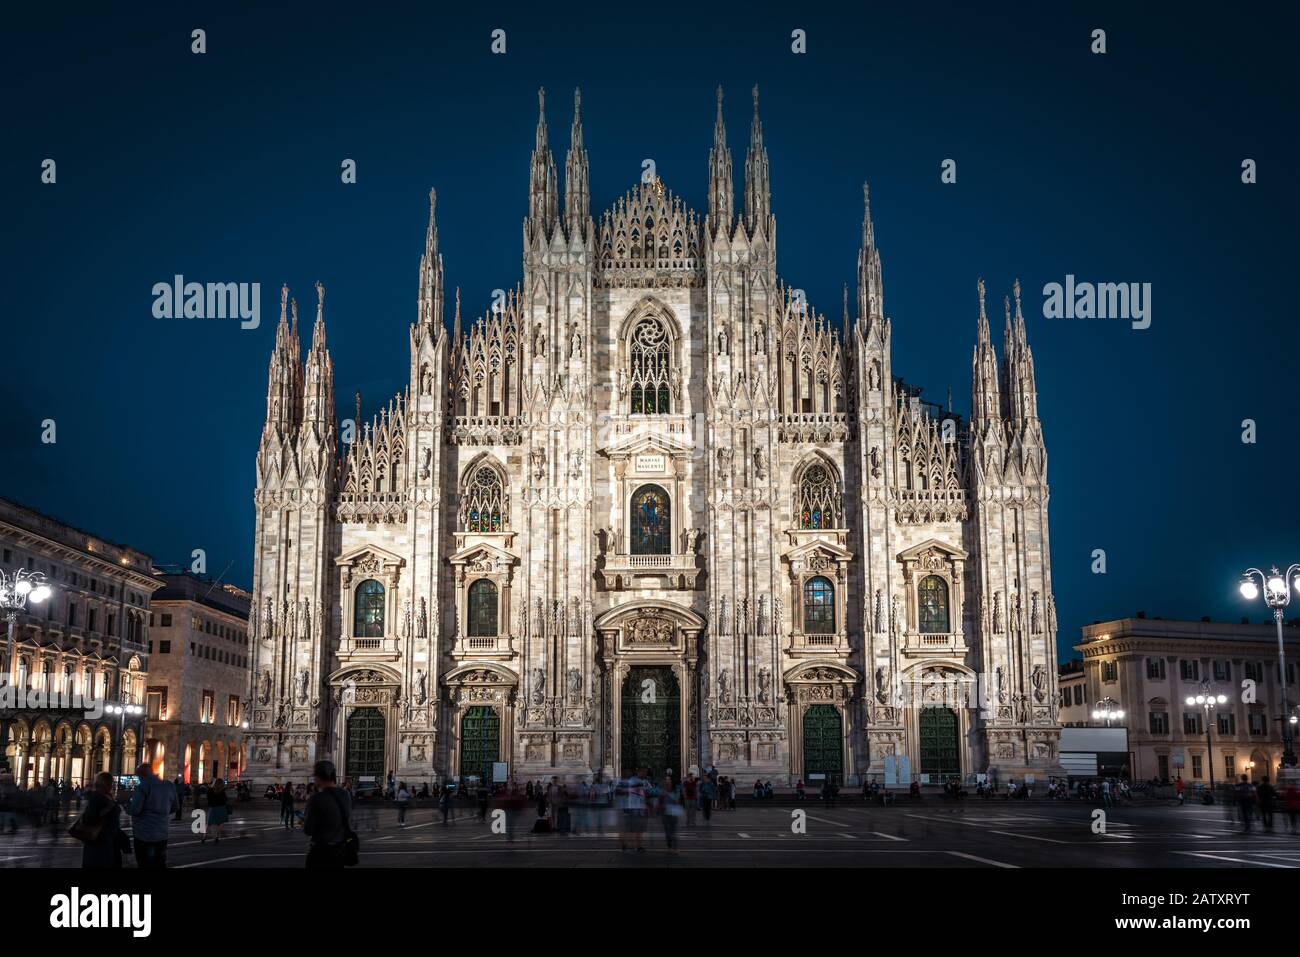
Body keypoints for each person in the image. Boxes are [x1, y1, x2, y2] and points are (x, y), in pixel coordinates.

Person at [127, 762, 179, 869]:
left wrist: (126, 807)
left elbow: (135, 810)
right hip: (162, 832)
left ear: (141, 775)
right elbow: (175, 807)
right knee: (160, 862)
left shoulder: (142, 787)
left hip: (144, 834)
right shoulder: (169, 785)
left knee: (145, 863)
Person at [303, 760, 353, 868]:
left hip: (320, 853)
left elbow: (308, 830)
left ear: (318, 777)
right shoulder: (345, 795)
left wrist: (305, 823)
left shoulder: (316, 799)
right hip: (339, 852)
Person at [75, 772, 129, 869]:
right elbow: (91, 817)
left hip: (105, 841)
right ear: (106, 784)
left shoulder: (104, 796)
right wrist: (108, 810)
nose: (113, 785)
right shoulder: (98, 797)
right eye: (111, 782)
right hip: (100, 842)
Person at [203, 778, 230, 843]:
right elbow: (225, 799)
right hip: (221, 808)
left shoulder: (210, 790)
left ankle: (204, 837)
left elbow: (208, 799)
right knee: (220, 823)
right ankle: (217, 836)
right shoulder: (222, 791)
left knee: (210, 823)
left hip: (213, 808)